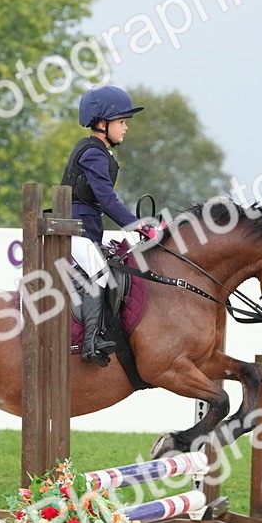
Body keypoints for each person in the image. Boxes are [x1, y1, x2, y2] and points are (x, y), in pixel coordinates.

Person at [61, 85, 161, 366]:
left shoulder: (101, 151)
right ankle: (91, 341)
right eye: (121, 122)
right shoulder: (92, 153)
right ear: (102, 124)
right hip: (73, 231)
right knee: (100, 272)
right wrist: (137, 225)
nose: (125, 128)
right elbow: (106, 199)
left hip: (86, 231)